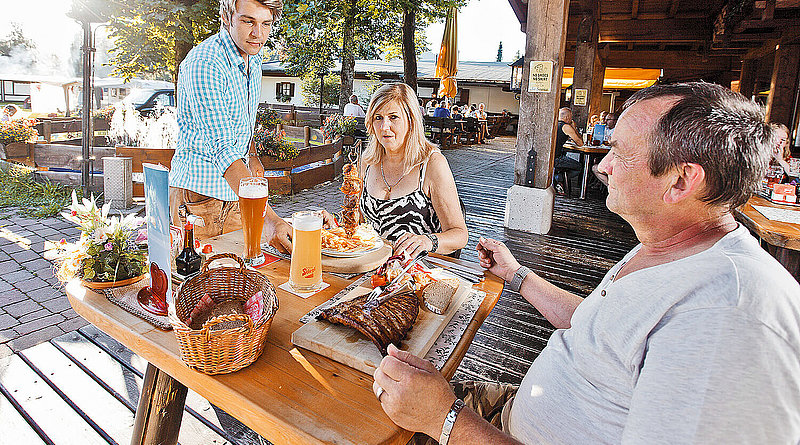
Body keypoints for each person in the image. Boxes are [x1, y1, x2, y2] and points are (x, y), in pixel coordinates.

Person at [372, 82, 800, 444]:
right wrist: (517, 275)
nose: (605, 165)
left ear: (681, 180)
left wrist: (446, 421)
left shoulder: (729, 318)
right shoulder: (668, 248)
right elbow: (600, 323)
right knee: (372, 388)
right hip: (513, 408)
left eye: (621, 152)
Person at [169, 0, 310, 252]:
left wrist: (252, 154)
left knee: (239, 278)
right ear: (226, 16)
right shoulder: (205, 63)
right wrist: (274, 220)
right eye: (248, 21)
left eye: (266, 24)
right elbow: (223, 148)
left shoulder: (253, 56)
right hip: (199, 199)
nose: (258, 34)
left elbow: (244, 118)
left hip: (238, 193)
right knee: (198, 284)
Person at [357, 83, 468, 257]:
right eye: (378, 117)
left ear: (411, 120)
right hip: (370, 265)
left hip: (420, 271)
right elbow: (359, 223)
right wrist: (335, 224)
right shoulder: (367, 161)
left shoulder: (432, 163)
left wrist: (427, 241)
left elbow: (460, 235)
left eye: (393, 117)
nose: (384, 127)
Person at [553, 107, 583, 192]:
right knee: (579, 167)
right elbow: (580, 143)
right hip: (557, 159)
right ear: (567, 117)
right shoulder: (566, 127)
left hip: (548, 158)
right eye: (571, 117)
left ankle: (557, 177)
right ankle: (558, 178)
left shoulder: (553, 123)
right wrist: (574, 128)